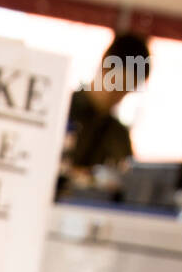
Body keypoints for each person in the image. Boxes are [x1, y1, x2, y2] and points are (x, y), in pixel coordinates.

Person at [65, 32, 152, 171]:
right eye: (118, 83)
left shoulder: (118, 135)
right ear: (105, 65)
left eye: (128, 88)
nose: (119, 94)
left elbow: (125, 179)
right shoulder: (62, 110)